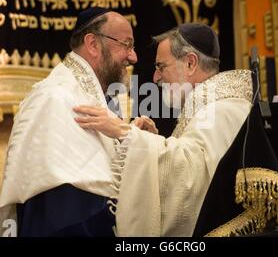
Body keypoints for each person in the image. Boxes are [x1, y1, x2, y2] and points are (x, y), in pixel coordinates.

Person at [73, 23, 253, 236]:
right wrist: (150, 141)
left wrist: (124, 132)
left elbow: (191, 180)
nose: (155, 78)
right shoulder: (212, 105)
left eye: (161, 66)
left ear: (190, 63)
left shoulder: (222, 109)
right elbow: (187, 166)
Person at [0, 7, 137, 236]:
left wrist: (133, 138)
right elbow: (63, 208)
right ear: (93, 44)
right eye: (127, 45)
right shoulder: (55, 98)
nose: (133, 57)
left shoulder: (91, 97)